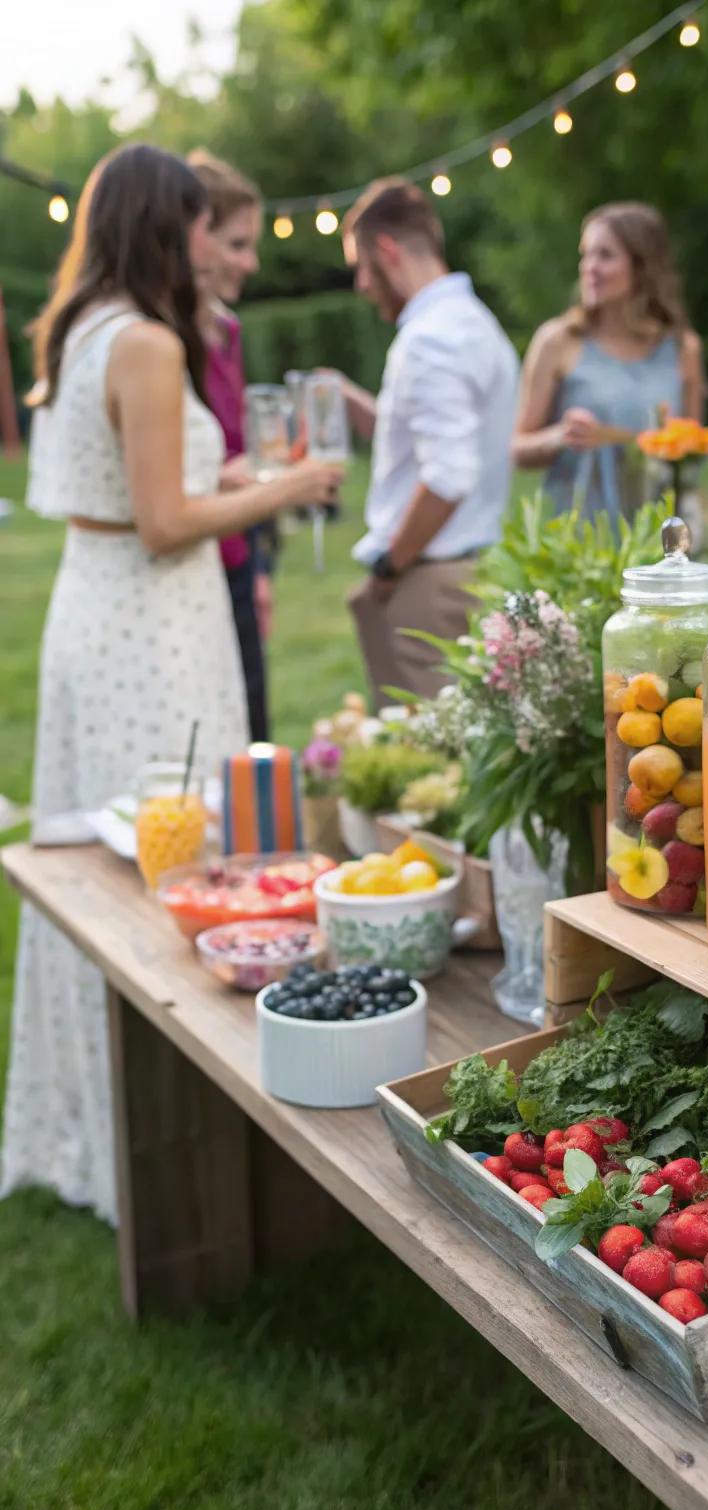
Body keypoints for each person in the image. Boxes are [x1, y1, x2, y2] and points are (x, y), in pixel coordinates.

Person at [0, 144, 340, 1224]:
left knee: (120, 860)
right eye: (198, 220)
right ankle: (169, 1154)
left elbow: (139, 489)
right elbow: (161, 523)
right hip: (150, 626)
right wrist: (285, 487)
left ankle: (113, 1127)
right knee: (167, 864)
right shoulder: (145, 341)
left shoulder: (84, 324)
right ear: (164, 224)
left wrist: (227, 474)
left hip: (101, 611)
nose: (208, 240)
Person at [340, 178, 519, 708]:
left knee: (427, 749)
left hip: (426, 586)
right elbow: (442, 445)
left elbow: (447, 476)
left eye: (360, 267)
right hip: (470, 567)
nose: (361, 285)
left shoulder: (429, 339)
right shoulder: (475, 323)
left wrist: (389, 566)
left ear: (387, 251)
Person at [514, 202, 705, 524]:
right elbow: (517, 448)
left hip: (656, 535)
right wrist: (560, 436)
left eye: (605, 255)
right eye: (586, 254)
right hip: (578, 535)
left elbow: (692, 456)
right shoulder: (557, 341)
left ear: (642, 266)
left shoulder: (683, 349)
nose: (590, 267)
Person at [187, 149, 273, 742]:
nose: (251, 262)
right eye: (237, 244)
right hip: (187, 563)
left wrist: (260, 568)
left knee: (250, 724)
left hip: (237, 560)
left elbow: (240, 447)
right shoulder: (160, 341)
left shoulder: (228, 331)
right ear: (195, 238)